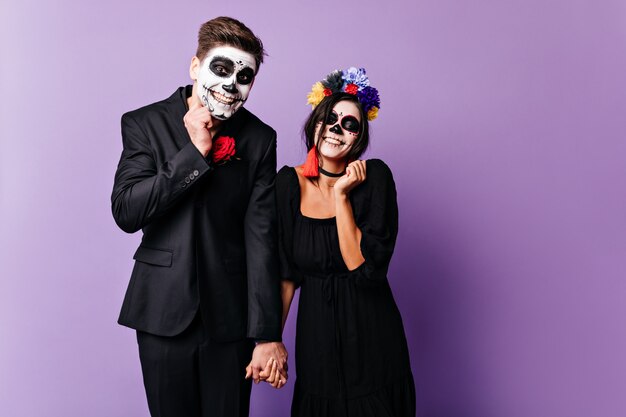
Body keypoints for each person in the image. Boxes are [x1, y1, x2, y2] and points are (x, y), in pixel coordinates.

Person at [111, 16, 287, 417]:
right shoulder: (144, 123)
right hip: (160, 312)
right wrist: (194, 154)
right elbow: (126, 210)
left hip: (230, 318)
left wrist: (265, 334)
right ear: (195, 66)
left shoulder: (260, 139)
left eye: (245, 76)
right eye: (221, 69)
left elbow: (261, 237)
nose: (231, 85)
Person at [275, 68, 416, 416]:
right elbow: (286, 276)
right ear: (315, 124)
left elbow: (362, 267)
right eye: (330, 118)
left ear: (359, 137)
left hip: (372, 334)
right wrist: (271, 341)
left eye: (350, 124)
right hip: (316, 337)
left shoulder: (376, 178)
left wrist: (340, 197)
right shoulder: (287, 184)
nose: (337, 129)